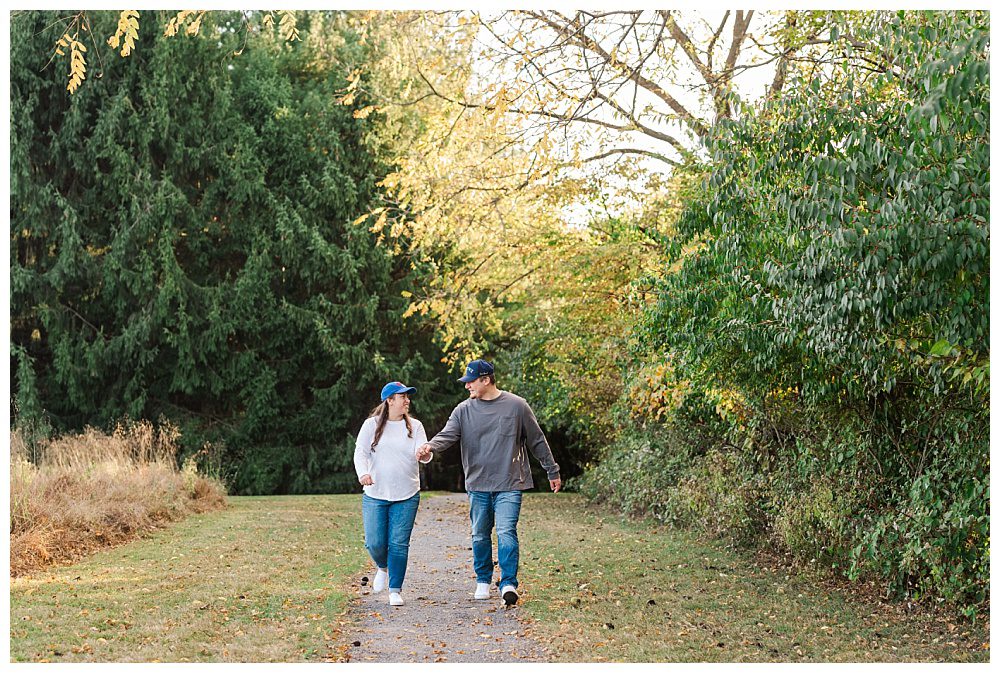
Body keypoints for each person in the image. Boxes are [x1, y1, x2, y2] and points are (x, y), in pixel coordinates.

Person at [415, 359, 560, 606]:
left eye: (471, 381)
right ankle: (483, 579)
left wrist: (552, 470)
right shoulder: (463, 410)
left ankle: (508, 583)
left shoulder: (517, 406)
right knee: (480, 535)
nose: (467, 386)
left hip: (510, 481)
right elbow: (447, 434)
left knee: (506, 532)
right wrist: (430, 446)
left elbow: (537, 440)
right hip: (478, 483)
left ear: (486, 380)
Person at [354, 381, 432, 607]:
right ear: (389, 400)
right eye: (403, 396)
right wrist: (363, 474)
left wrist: (424, 454)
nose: (407, 400)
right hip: (375, 493)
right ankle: (383, 567)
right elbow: (360, 453)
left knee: (398, 544)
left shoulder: (415, 426)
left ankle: (395, 589)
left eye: (408, 396)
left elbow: (425, 453)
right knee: (375, 543)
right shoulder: (371, 425)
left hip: (407, 494)